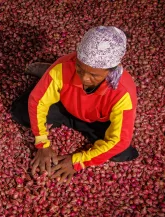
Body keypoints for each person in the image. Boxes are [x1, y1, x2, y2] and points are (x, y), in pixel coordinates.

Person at [11, 26, 139, 184]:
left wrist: (79, 161)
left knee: (122, 152)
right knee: (21, 112)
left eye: (93, 75)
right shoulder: (64, 66)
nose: (84, 79)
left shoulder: (123, 92)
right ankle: (47, 76)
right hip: (65, 106)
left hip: (96, 120)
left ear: (110, 71)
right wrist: (42, 142)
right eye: (79, 68)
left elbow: (119, 140)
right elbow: (37, 101)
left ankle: (46, 77)